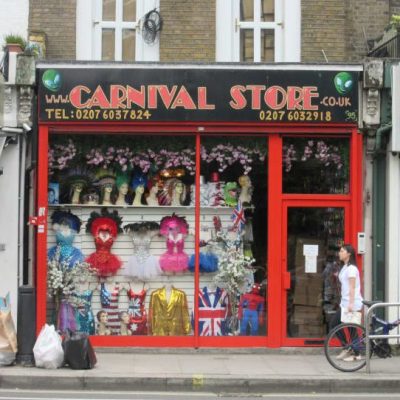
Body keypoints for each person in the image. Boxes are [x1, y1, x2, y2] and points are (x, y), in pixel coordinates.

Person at [329, 244, 363, 362]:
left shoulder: (352, 269)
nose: (339, 253)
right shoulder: (345, 267)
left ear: (349, 253)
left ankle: (352, 351)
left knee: (335, 324)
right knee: (350, 328)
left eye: (342, 251)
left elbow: (353, 287)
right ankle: (352, 350)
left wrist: (351, 304)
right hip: (345, 302)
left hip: (351, 303)